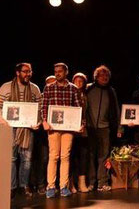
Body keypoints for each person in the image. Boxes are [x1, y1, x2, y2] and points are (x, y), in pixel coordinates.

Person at [0, 63, 42, 198]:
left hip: (27, 129)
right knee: (11, 159)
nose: (28, 74)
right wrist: (2, 121)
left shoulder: (34, 88)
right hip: (10, 128)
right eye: (25, 71)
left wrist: (37, 121)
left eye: (30, 71)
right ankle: (12, 186)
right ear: (17, 72)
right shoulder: (6, 86)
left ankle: (24, 185)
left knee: (27, 159)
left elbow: (40, 108)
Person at [41, 63, 82, 198]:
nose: (58, 73)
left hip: (68, 128)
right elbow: (44, 107)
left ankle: (63, 186)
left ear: (66, 72)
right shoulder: (49, 88)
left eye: (60, 71)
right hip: (53, 128)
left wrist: (80, 124)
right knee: (54, 156)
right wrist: (45, 121)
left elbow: (78, 108)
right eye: (56, 71)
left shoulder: (73, 89)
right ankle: (51, 186)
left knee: (65, 156)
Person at [85, 65, 120, 192]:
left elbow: (116, 110)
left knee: (103, 156)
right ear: (96, 77)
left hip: (105, 128)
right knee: (91, 155)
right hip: (89, 128)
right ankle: (91, 182)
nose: (104, 78)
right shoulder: (89, 89)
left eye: (106, 76)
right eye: (101, 75)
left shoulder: (111, 91)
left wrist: (119, 128)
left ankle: (102, 182)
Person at [69, 72, 90, 193]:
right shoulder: (69, 92)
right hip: (71, 129)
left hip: (84, 130)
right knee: (71, 157)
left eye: (81, 81)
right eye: (76, 81)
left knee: (83, 156)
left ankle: (82, 183)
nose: (79, 83)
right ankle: (71, 184)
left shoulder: (87, 94)